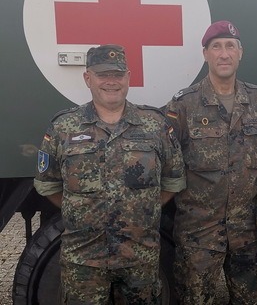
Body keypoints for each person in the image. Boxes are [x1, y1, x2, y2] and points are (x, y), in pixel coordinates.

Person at [34, 44, 186, 304]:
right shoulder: (64, 127)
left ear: (128, 78)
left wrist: (143, 209)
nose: (111, 82)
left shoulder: (156, 125)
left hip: (140, 255)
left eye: (117, 75)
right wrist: (83, 212)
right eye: (103, 75)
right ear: (88, 78)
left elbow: (173, 181)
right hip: (84, 257)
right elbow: (49, 186)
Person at [164, 20, 257, 304]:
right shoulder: (183, 105)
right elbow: (166, 163)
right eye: (216, 47)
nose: (224, 54)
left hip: (247, 234)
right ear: (205, 54)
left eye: (230, 46)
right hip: (198, 235)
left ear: (241, 53)